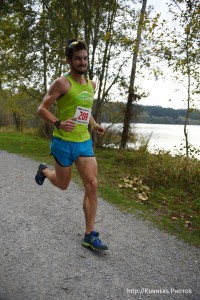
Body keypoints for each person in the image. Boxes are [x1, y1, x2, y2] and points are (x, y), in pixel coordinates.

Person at [35, 38, 108, 251]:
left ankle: (89, 235)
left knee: (92, 185)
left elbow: (84, 110)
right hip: (63, 143)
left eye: (85, 58)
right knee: (63, 184)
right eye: (78, 58)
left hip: (83, 143)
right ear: (69, 60)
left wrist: (93, 125)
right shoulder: (62, 83)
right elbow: (41, 109)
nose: (82, 62)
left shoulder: (92, 85)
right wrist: (57, 122)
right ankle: (45, 171)